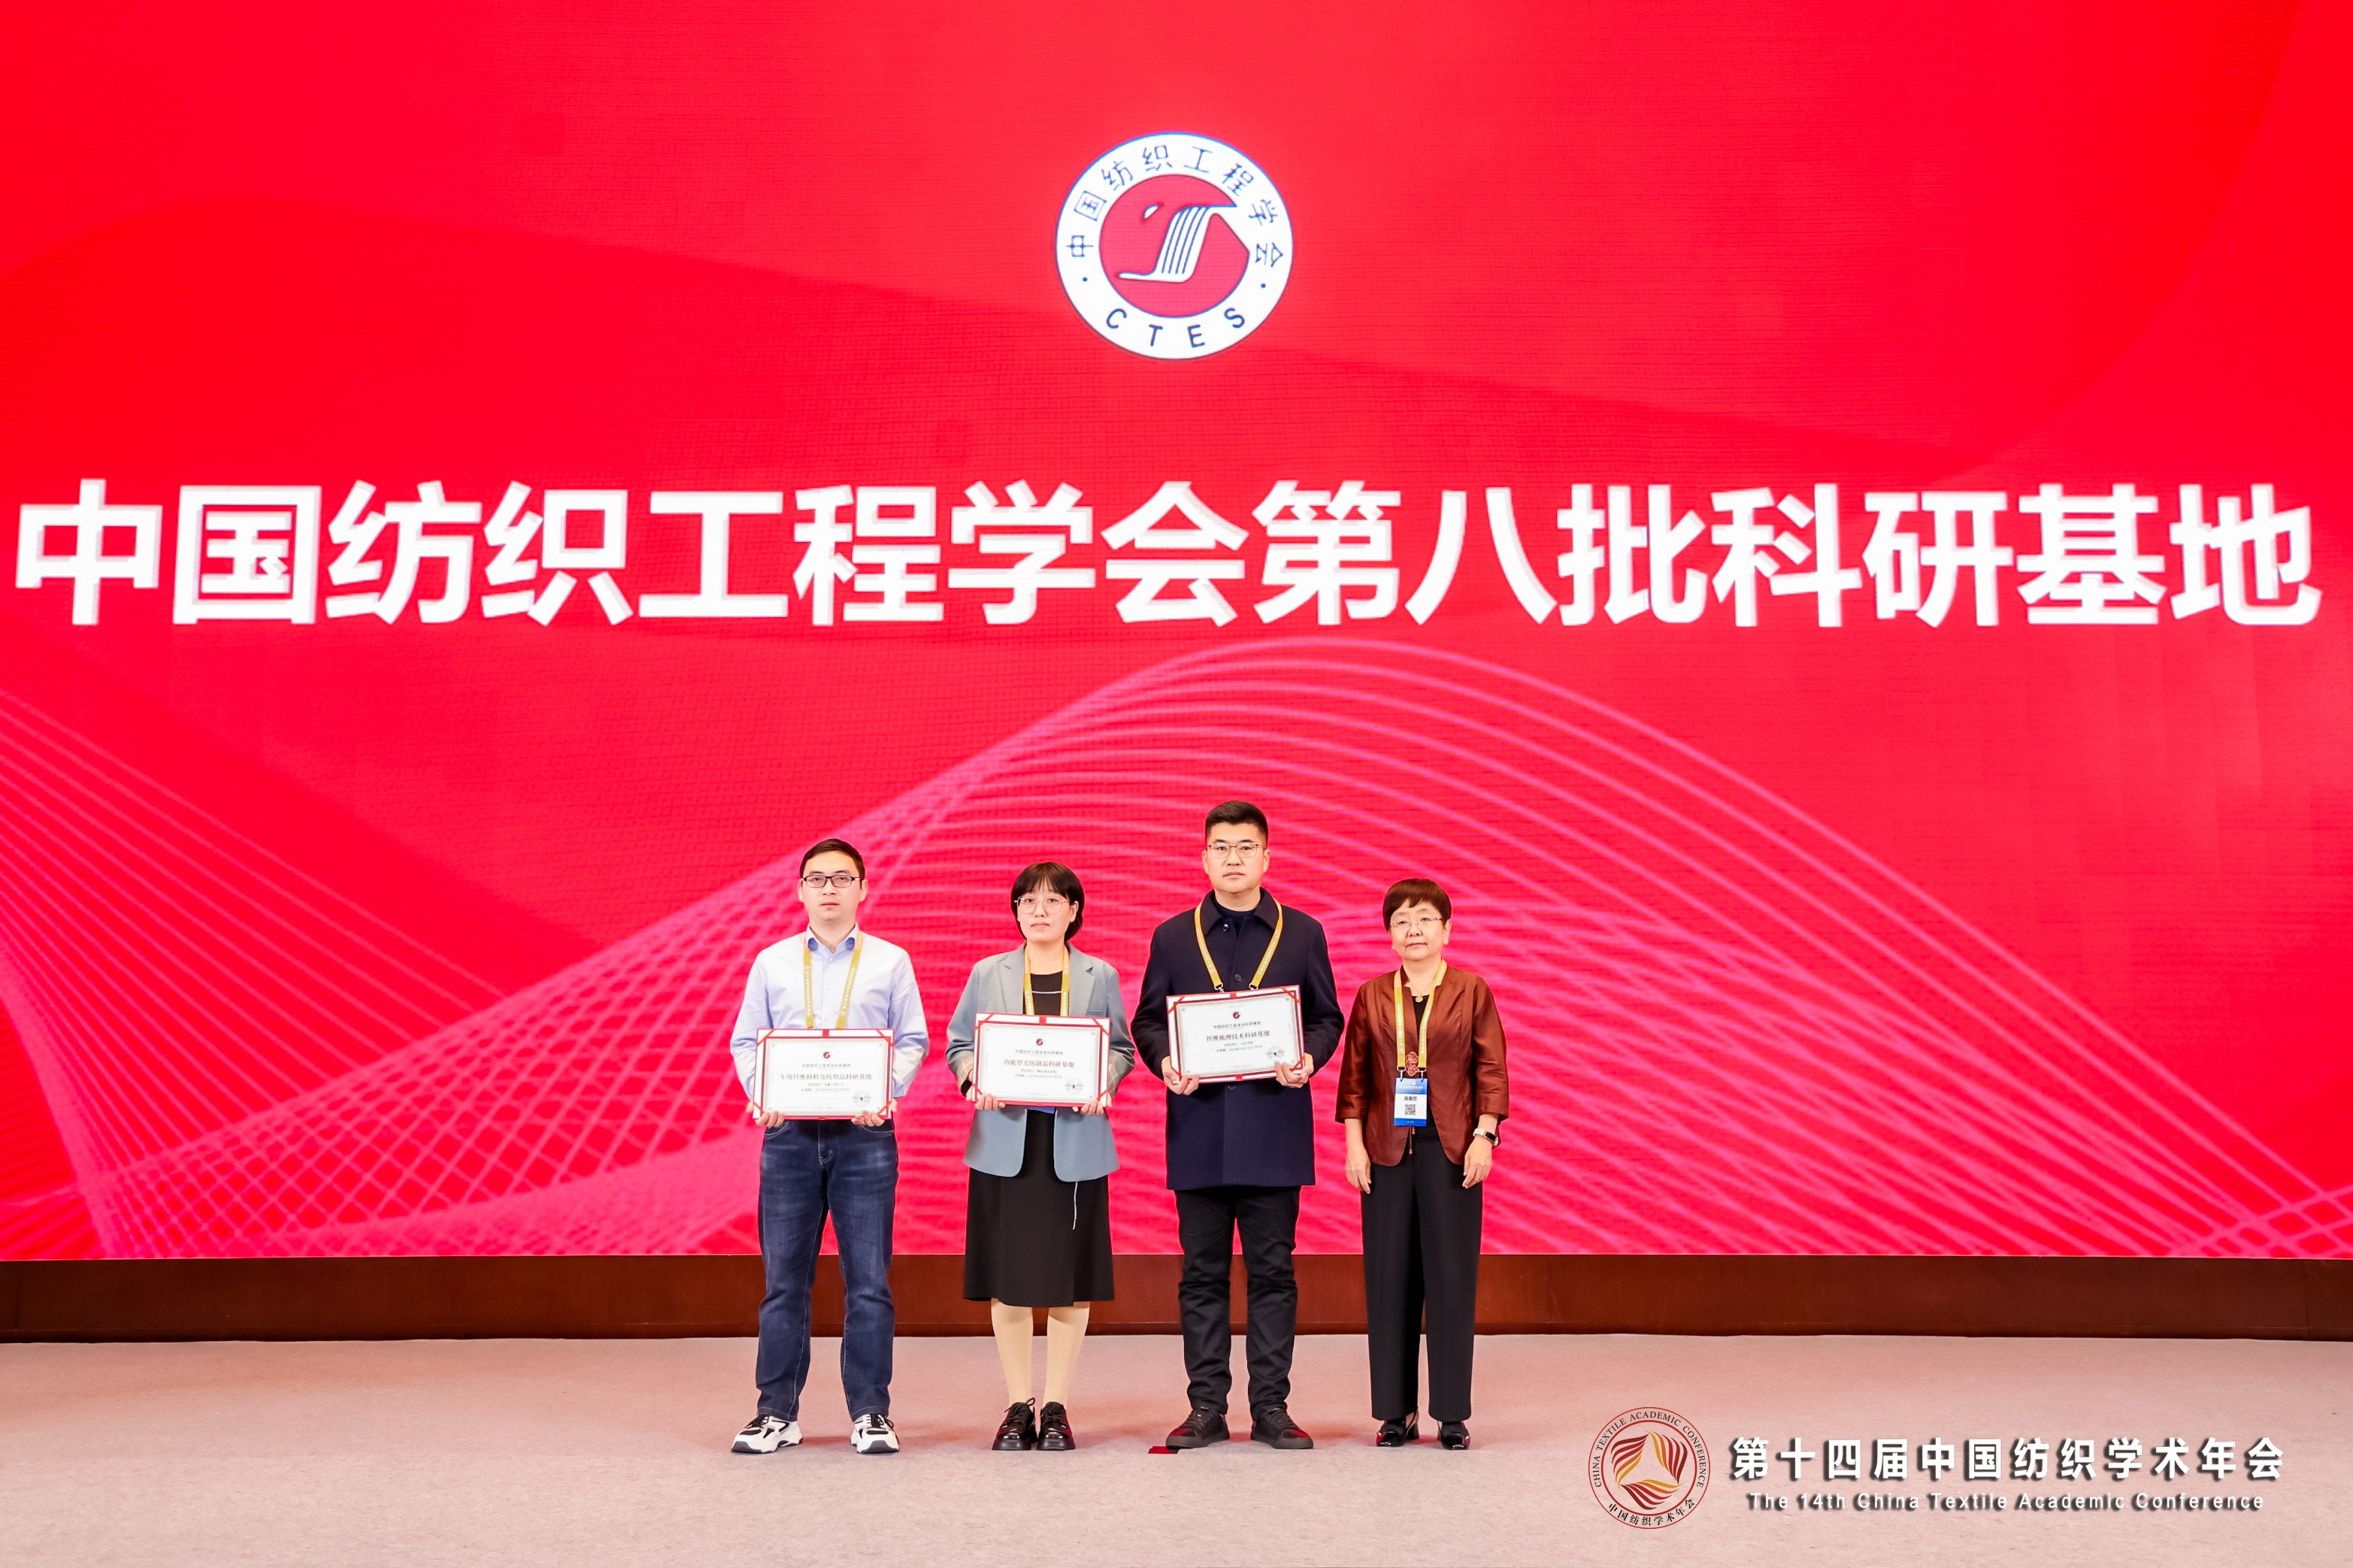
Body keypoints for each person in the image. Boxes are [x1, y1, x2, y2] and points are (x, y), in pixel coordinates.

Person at [1131, 800, 1344, 1451]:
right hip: (1199, 1129)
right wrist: (1165, 1062)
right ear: (1204, 858)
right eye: (1221, 847)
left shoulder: (1303, 933)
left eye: (1245, 847)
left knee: (1274, 1274)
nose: (1233, 858)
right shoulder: (1173, 936)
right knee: (1201, 1276)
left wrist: (1310, 1058)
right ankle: (1206, 1409)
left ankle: (1271, 1408)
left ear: (1267, 857)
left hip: (1274, 1130)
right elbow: (1147, 1020)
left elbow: (1327, 1017)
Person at [726, 837, 928, 1457]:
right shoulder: (772, 962)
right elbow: (746, 1042)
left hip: (865, 1135)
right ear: (800, 891)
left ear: (864, 888)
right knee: (783, 1283)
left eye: (843, 878)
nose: (830, 889)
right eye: (817, 879)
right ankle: (775, 1414)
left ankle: (871, 1413)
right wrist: (765, 1094)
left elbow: (912, 1040)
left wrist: (885, 1091)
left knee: (868, 1283)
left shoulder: (891, 961)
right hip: (788, 1135)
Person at [946, 861, 1134, 1452]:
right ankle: (1016, 1404)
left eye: (1053, 901)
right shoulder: (988, 972)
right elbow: (959, 1044)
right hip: (1006, 1142)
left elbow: (1122, 1048)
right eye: (1028, 901)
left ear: (1074, 911)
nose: (1039, 911)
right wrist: (974, 1077)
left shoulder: (1100, 975)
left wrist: (1103, 1082)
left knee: (1069, 1280)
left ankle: (1056, 1405)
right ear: (1016, 911)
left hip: (1074, 1143)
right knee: (1007, 1279)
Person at [1337, 877, 1507, 1450]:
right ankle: (1396, 1412)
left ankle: (1451, 1414)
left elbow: (1491, 1069)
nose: (1414, 930)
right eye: (1402, 920)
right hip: (1385, 1151)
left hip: (1453, 1148)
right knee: (1390, 1282)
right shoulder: (1371, 996)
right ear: (1389, 934)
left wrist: (1486, 1135)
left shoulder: (1472, 990)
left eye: (1425, 919)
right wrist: (1354, 1146)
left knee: (1451, 1280)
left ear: (1447, 930)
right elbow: (1355, 1078)